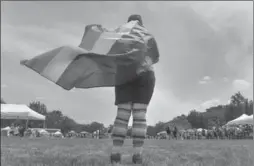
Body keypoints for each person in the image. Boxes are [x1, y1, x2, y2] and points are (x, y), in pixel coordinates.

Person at [110, 14, 159, 164]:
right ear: (141, 23)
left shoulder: (119, 36)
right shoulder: (148, 36)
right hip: (145, 74)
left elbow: (111, 56)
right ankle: (137, 155)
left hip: (124, 73)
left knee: (122, 115)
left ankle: (116, 154)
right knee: (139, 115)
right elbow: (156, 57)